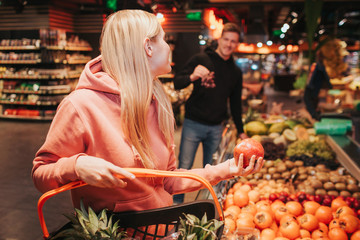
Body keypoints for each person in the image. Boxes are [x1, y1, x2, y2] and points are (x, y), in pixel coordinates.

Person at [32, 10, 264, 234]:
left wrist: (226, 170)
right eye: (163, 39)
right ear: (148, 47)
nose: (169, 47)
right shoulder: (81, 106)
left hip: (162, 231)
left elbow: (168, 182)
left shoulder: (157, 101)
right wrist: (76, 166)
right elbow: (41, 174)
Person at [172, 23, 247, 203]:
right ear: (220, 39)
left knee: (213, 171)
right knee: (184, 168)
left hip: (215, 127)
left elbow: (235, 104)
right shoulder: (201, 59)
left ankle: (205, 207)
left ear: (236, 44)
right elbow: (177, 82)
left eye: (233, 41)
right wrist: (192, 77)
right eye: (226, 39)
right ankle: (175, 206)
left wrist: (242, 130)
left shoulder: (236, 72)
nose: (229, 44)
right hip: (193, 123)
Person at [304, 50, 332, 120]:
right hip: (313, 87)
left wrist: (330, 86)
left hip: (313, 88)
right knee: (310, 102)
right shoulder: (317, 65)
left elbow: (324, 77)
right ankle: (314, 117)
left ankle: (315, 117)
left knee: (310, 103)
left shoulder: (319, 66)